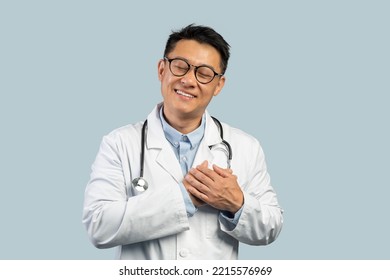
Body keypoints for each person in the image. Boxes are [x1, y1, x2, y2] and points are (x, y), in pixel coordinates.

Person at [82, 24, 283, 260]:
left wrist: (236, 203)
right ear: (161, 70)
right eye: (180, 66)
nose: (189, 80)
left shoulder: (245, 147)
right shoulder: (119, 143)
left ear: (218, 85)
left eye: (204, 73)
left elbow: (272, 226)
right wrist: (184, 198)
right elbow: (98, 227)